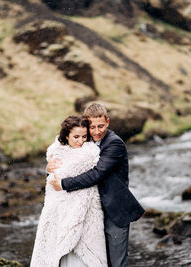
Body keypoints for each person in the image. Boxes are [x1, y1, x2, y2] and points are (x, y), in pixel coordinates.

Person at [49, 103, 145, 267]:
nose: (97, 131)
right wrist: (50, 165)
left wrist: (64, 184)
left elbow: (97, 173)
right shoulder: (85, 140)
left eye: (101, 126)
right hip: (93, 212)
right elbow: (64, 151)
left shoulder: (115, 144)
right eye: (92, 127)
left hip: (114, 211)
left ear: (107, 122)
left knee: (117, 263)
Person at [30, 116, 107, 267]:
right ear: (66, 136)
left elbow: (79, 178)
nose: (80, 141)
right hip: (59, 213)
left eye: (84, 137)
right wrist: (49, 169)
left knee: (80, 256)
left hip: (84, 213)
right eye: (76, 137)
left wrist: (60, 177)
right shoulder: (56, 152)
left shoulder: (90, 154)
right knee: (58, 254)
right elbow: (53, 182)